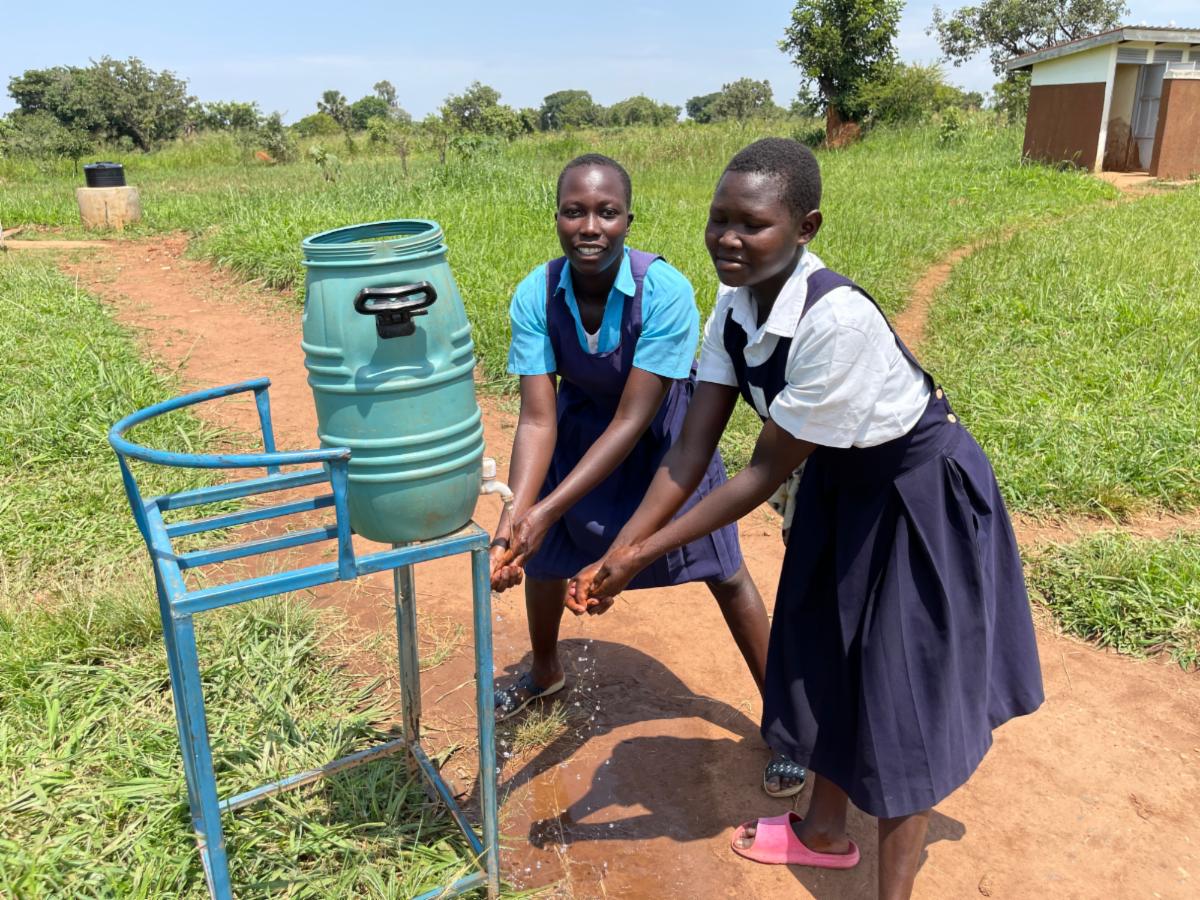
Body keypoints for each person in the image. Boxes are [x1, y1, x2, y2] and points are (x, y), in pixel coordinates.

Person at [568, 139, 1044, 899]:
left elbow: (759, 472)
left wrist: (635, 555)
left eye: (750, 224)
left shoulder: (835, 322)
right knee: (825, 654)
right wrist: (622, 552)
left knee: (901, 691)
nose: (727, 238)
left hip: (915, 498)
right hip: (840, 488)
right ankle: (823, 832)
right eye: (717, 219)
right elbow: (691, 451)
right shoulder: (733, 306)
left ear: (804, 227)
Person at [491, 152, 806, 798]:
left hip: (664, 443)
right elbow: (537, 420)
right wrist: (514, 518)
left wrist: (544, 510)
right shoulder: (535, 293)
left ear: (629, 219)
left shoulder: (665, 291)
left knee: (723, 570)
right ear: (556, 217)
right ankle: (544, 671)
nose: (590, 226)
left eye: (607, 212)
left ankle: (789, 724)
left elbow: (635, 418)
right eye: (575, 210)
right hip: (579, 437)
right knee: (543, 558)